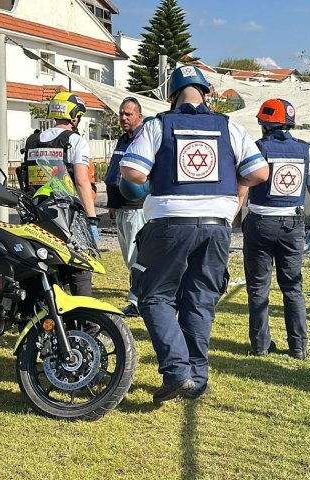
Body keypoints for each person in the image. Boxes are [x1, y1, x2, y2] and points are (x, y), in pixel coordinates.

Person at [120, 65, 268, 403]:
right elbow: (260, 172)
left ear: (171, 95)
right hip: (217, 227)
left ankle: (176, 370)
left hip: (170, 225)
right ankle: (197, 379)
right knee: (200, 301)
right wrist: (233, 190)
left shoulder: (158, 125)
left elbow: (133, 172)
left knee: (154, 296)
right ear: (207, 93)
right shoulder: (229, 126)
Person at [238, 98, 310, 360]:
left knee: (258, 288)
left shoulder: (256, 149)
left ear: (264, 124)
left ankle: (260, 345)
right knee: (293, 288)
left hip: (260, 223)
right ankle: (298, 347)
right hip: (293, 226)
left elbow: (241, 191)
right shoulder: (307, 152)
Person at [20, 91, 99, 296]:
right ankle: (86, 324)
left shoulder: (32, 141)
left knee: (43, 268)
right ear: (75, 116)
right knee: (79, 270)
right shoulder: (75, 141)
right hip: (67, 218)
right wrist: (91, 219)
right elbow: (82, 182)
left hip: (35, 215)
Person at [105, 97, 146, 316]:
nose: (123, 117)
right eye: (121, 113)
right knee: (129, 256)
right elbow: (114, 172)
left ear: (140, 116)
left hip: (137, 207)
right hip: (122, 207)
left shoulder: (144, 138)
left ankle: (137, 301)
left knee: (136, 255)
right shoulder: (124, 139)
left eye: (128, 114)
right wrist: (112, 203)